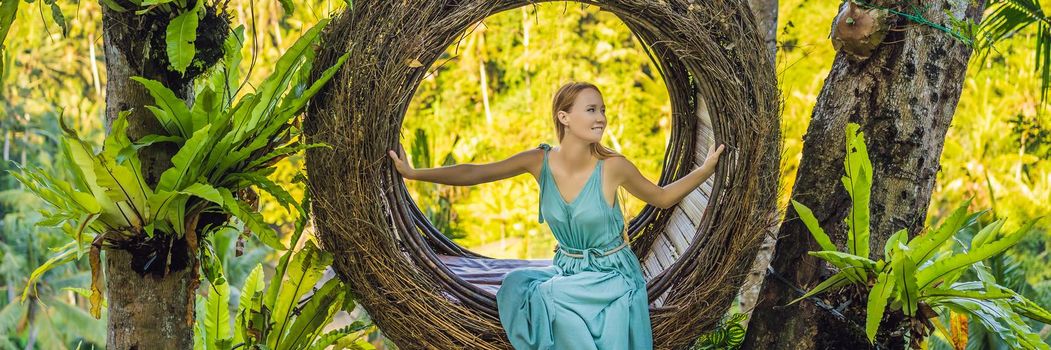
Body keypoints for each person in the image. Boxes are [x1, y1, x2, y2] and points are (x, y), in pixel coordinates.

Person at [388, 81, 725, 349]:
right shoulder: (539, 161)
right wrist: (415, 174)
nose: (601, 118)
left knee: (550, 299)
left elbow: (663, 198)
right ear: (564, 117)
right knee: (516, 284)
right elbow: (475, 172)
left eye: (602, 110)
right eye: (591, 110)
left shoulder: (613, 168)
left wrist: (706, 170)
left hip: (611, 275)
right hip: (568, 269)